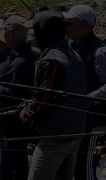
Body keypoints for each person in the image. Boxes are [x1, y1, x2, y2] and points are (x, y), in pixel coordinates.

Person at [20, 10, 88, 180]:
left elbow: (45, 96)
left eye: (36, 30)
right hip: (76, 129)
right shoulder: (74, 54)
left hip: (56, 134)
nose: (34, 36)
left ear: (43, 31)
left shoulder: (53, 58)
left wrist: (27, 112)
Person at [64, 4, 106, 180]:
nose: (67, 27)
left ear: (86, 26)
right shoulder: (70, 48)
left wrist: (87, 99)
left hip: (97, 123)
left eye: (71, 23)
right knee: (76, 168)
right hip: (79, 121)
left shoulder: (100, 51)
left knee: (86, 167)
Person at [0, 15, 39, 180]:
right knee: (9, 162)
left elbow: (15, 93)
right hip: (9, 120)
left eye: (6, 32)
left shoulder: (21, 60)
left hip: (13, 120)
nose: (4, 37)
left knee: (13, 164)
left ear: (11, 35)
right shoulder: (14, 57)